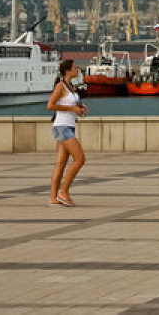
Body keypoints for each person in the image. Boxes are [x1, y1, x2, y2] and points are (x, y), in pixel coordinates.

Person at [47, 60, 88, 207]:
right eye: (75, 68)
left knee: (61, 163)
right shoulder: (60, 86)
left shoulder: (70, 86)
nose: (77, 70)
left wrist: (80, 107)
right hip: (62, 127)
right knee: (80, 159)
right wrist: (72, 109)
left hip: (69, 126)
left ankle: (53, 197)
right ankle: (63, 192)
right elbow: (50, 105)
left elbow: (67, 103)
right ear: (68, 71)